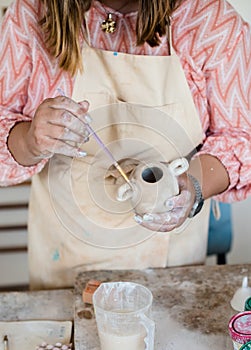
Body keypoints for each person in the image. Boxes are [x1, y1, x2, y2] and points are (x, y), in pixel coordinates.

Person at [0, 0, 251, 290]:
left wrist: (192, 187)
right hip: (65, 260)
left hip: (169, 267)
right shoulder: (31, 12)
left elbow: (240, 139)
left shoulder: (209, 21)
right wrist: (31, 140)